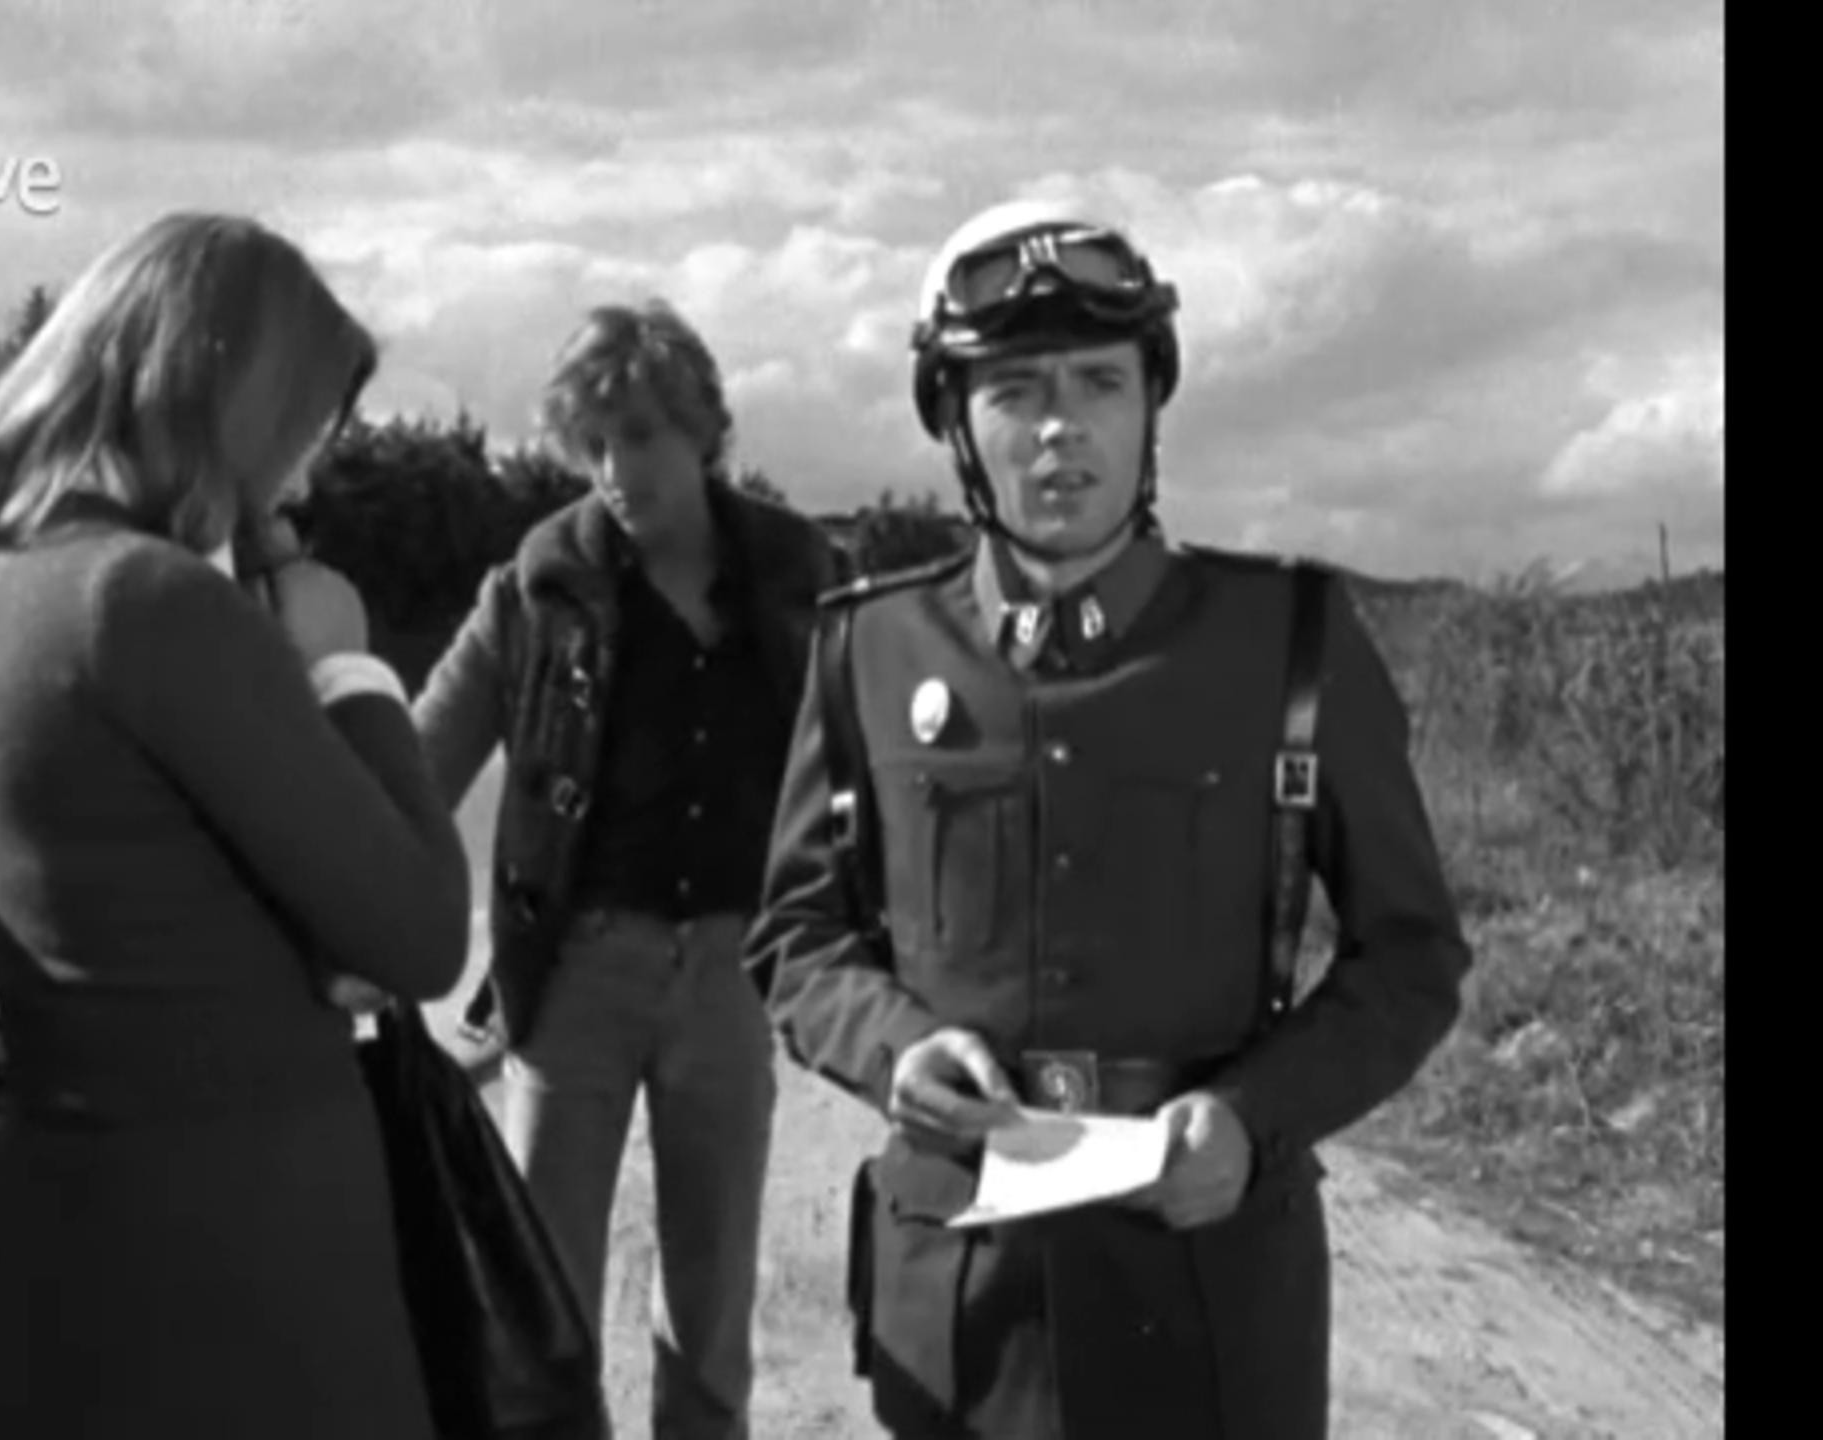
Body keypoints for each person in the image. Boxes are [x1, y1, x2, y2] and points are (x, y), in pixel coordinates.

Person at [742, 198, 1474, 1438]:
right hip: (961, 1296)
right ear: (953, 422)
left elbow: (1411, 958)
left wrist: (1254, 1118)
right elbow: (797, 936)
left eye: (1100, 382)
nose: (1061, 427)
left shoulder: (1288, 646)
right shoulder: (868, 650)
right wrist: (895, 1050)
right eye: (1014, 390)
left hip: (1205, 1283)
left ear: (1150, 408)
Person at [0, 211, 468, 1439]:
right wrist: (346, 667)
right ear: (231, 399)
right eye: (301, 435)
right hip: (244, 1293)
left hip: (64, 1262)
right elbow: (424, 934)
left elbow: (141, 901)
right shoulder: (146, 602)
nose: (302, 483)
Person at [411, 299, 839, 1440]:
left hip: (733, 970)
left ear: (703, 430)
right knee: (542, 1298)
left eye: (641, 435)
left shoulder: (800, 578)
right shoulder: (535, 588)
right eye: (592, 442)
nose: (615, 469)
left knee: (711, 1300)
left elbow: (881, 762)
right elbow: (412, 773)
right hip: (575, 972)